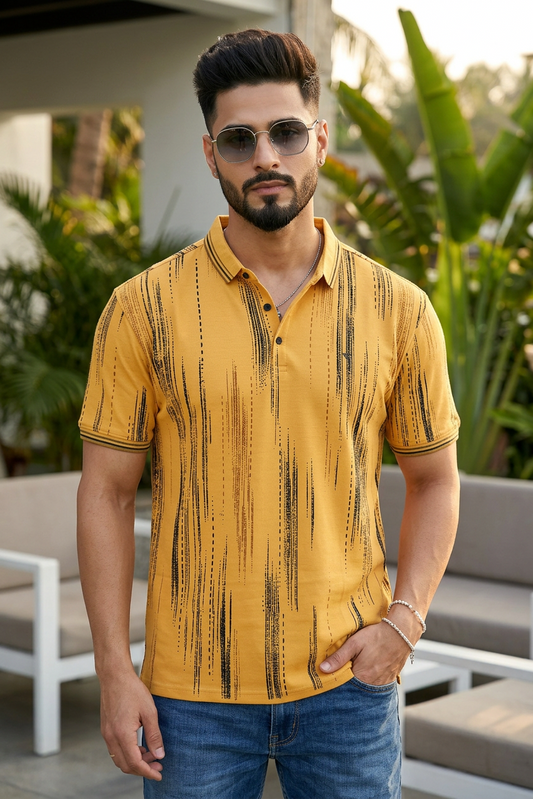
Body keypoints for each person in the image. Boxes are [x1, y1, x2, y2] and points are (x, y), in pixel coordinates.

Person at [77, 28, 460, 799]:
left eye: (286, 132)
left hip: (347, 687)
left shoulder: (397, 310)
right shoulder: (141, 309)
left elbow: (435, 480)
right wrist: (115, 670)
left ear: (317, 138)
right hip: (189, 699)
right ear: (212, 152)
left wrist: (404, 621)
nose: (266, 157)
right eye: (240, 139)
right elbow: (107, 492)